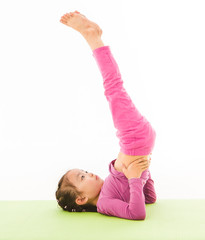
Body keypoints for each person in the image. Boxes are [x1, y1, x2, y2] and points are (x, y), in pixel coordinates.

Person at [56, 11, 157, 220]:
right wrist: (137, 177)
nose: (89, 173)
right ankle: (93, 37)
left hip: (136, 142)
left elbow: (150, 199)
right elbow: (137, 213)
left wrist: (143, 173)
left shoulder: (110, 192)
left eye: (84, 170)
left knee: (114, 89)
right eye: (82, 177)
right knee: (113, 88)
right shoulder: (104, 204)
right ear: (81, 199)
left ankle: (94, 37)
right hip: (133, 139)